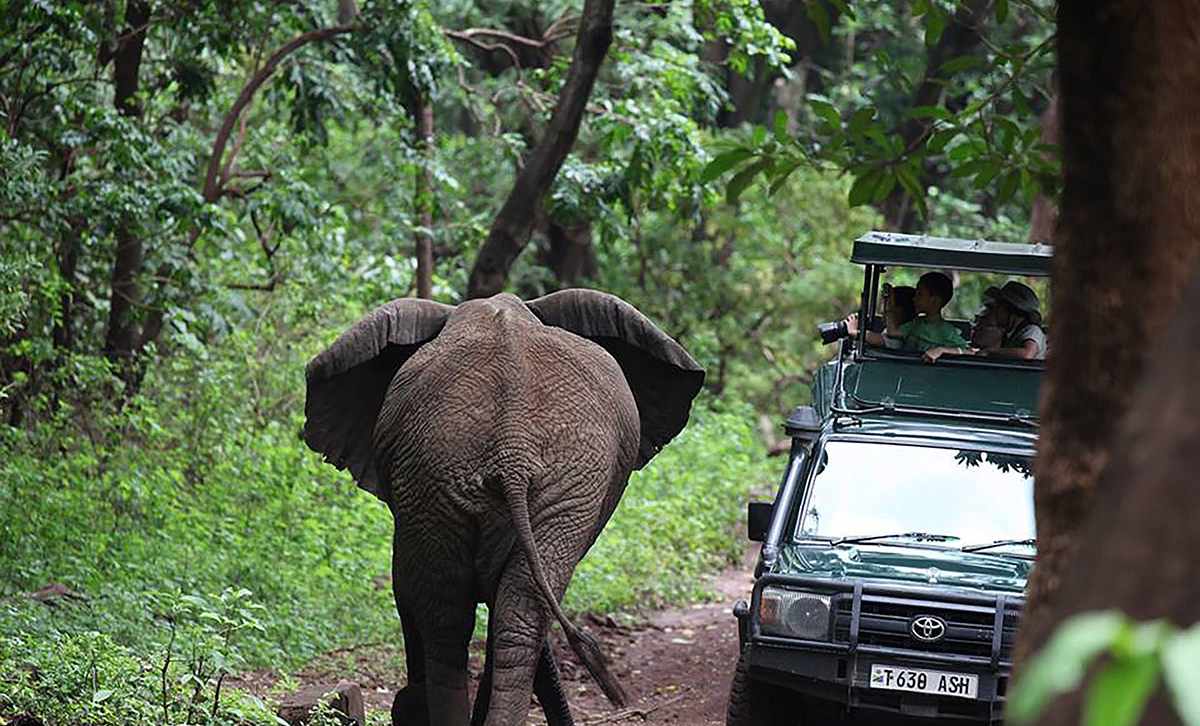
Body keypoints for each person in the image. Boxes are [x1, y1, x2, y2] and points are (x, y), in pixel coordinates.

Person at [923, 281, 1046, 362]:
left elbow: (1027, 354)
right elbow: (976, 353)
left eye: (998, 308)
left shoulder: (1031, 330)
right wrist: (942, 350)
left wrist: (990, 352)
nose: (995, 313)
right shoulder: (1010, 335)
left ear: (1011, 310)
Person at [847, 272, 967, 352]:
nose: (915, 298)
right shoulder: (915, 324)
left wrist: (941, 350)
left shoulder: (947, 331)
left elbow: (968, 351)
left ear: (935, 301)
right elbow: (892, 332)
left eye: (920, 294)